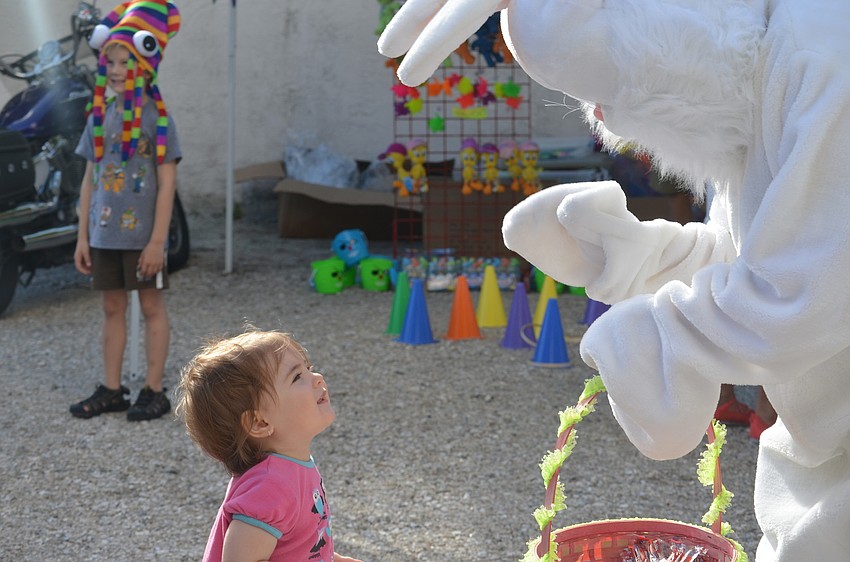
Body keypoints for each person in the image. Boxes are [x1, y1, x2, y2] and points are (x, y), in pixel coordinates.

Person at [379, 1, 850, 560]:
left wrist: (654, 339)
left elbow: (809, 293)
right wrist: (638, 257)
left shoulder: (824, 58)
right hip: (816, 467)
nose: (609, 119)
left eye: (620, 91)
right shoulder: (750, 61)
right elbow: (750, 253)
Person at [69, 0, 182, 421]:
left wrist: (157, 240)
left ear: (145, 64)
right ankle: (112, 388)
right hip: (103, 234)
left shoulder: (158, 119)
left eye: (124, 61)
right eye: (109, 61)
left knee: (151, 307)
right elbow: (89, 178)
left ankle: (154, 389)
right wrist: (82, 236)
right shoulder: (99, 115)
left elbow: (168, 181)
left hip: (142, 238)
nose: (115, 69)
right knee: (111, 308)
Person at [175, 330, 361, 562]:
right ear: (260, 422)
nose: (318, 377)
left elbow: (296, 545)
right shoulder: (270, 486)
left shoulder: (290, 466)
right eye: (297, 377)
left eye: (308, 368)